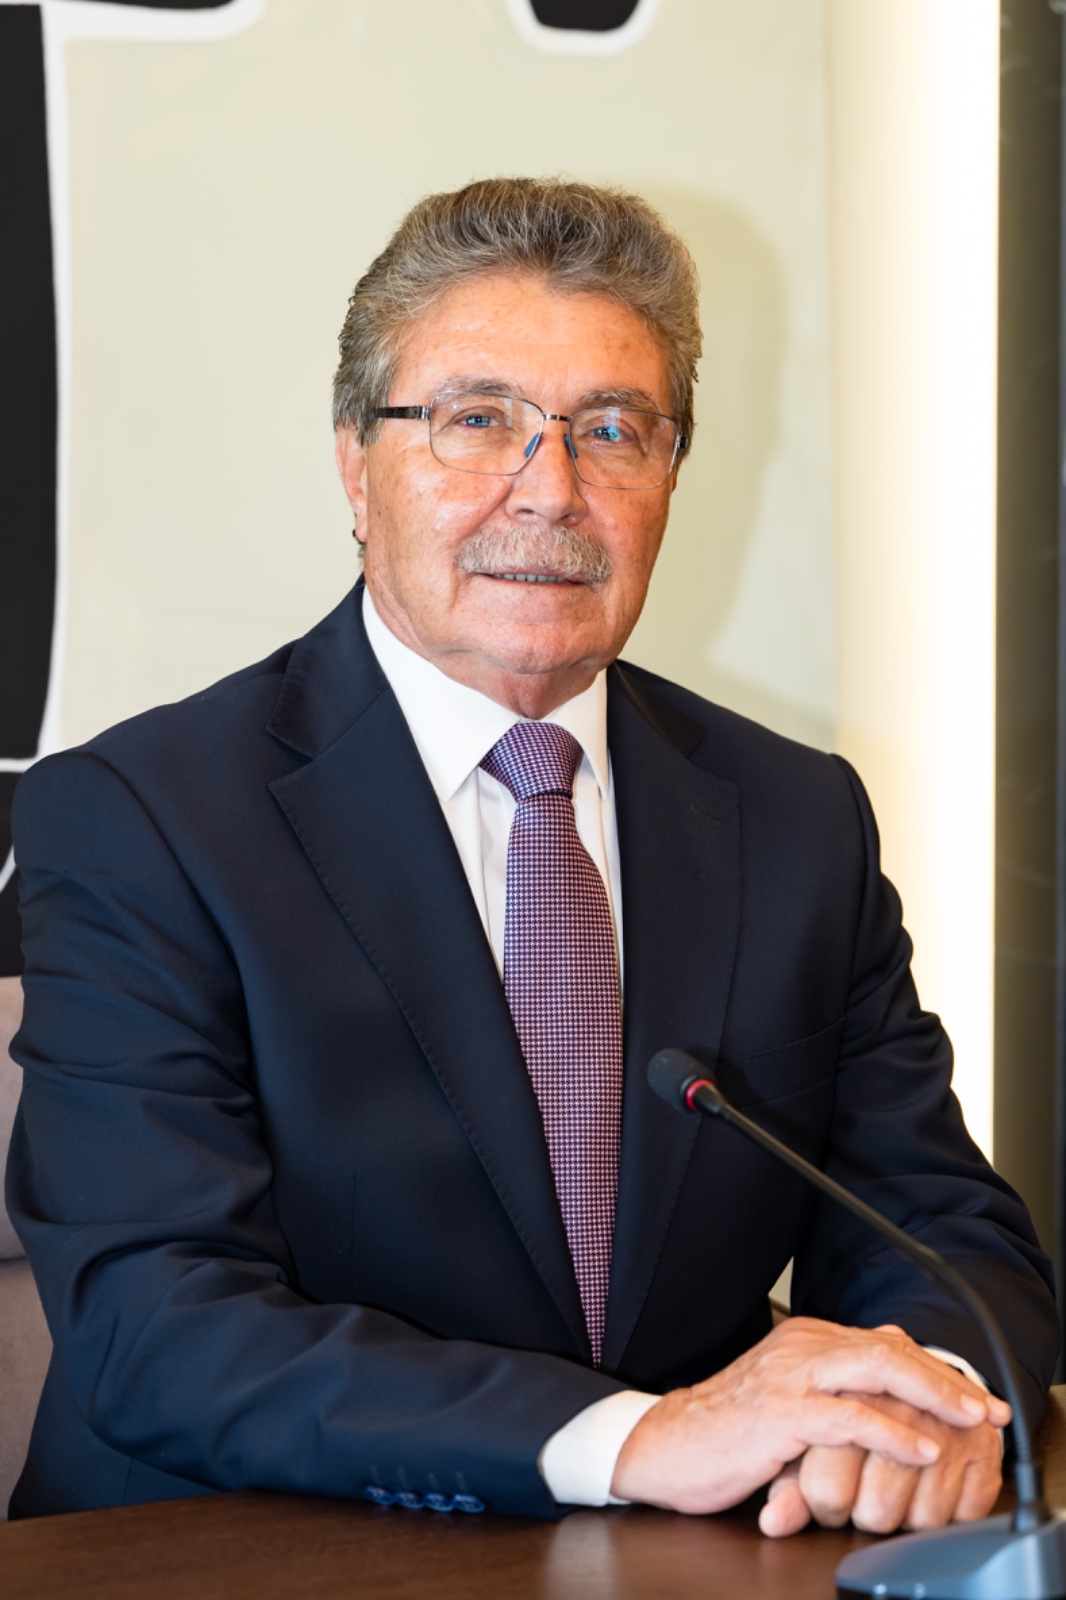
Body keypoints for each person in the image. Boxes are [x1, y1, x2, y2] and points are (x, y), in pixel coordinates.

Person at [6, 177, 1058, 1535]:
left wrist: (925, 1401)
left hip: (694, 1553)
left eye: (612, 429)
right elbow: (156, 1320)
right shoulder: (146, 818)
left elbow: (944, 1232)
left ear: (670, 476)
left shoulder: (797, 816)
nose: (549, 491)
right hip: (232, 1545)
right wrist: (637, 1438)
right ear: (355, 465)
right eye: (476, 420)